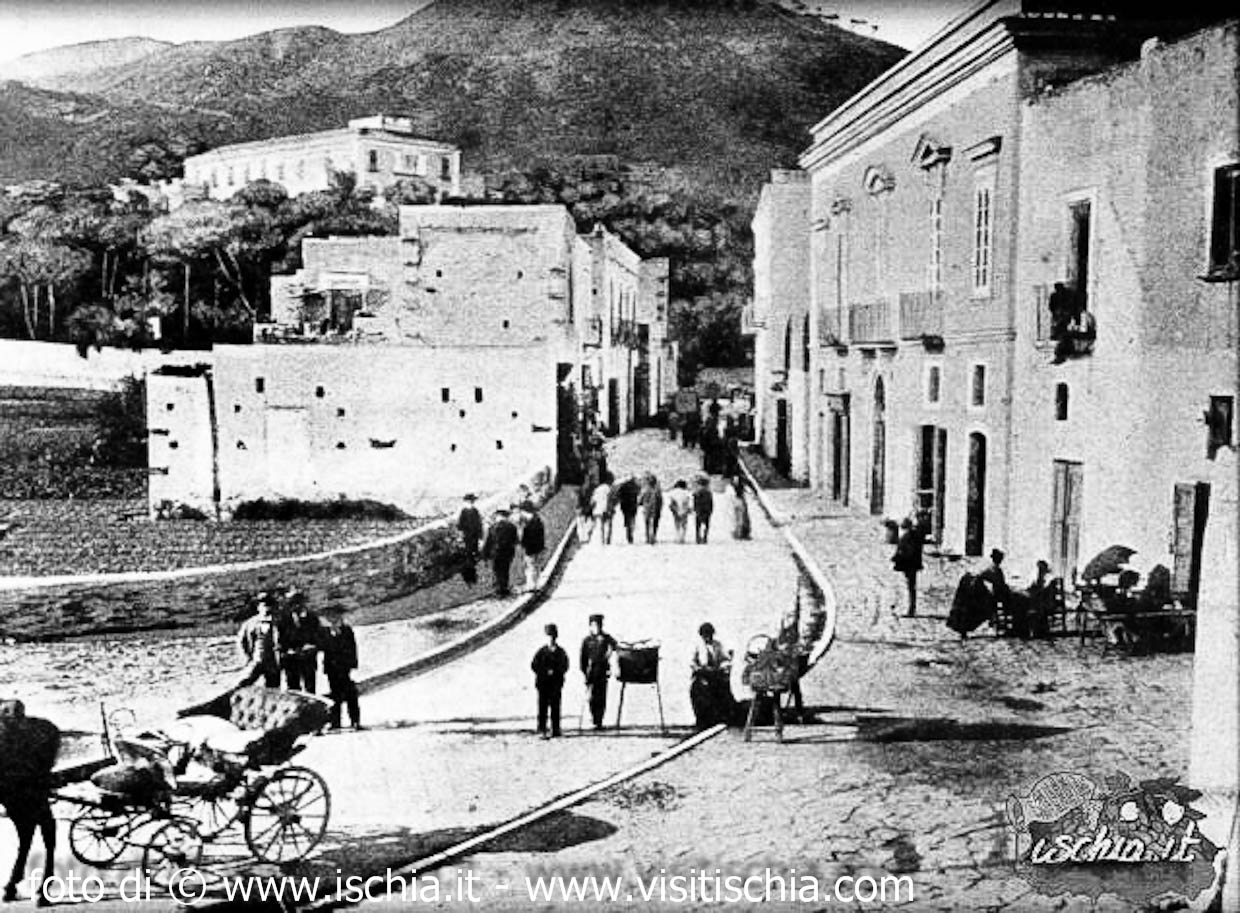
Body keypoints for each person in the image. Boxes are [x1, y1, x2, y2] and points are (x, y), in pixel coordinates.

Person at [320, 605, 361, 730]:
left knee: (350, 694)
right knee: (335, 695)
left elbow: (352, 648)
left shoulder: (347, 630)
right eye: (329, 616)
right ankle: (335, 722)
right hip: (331, 667)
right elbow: (322, 647)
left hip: (344, 666)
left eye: (335, 615)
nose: (332, 618)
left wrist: (352, 664)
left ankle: (355, 721)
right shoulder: (324, 632)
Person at [689, 623, 734, 730]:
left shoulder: (717, 645)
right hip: (702, 673)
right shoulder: (697, 646)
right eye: (705, 635)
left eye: (709, 635)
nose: (707, 637)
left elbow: (726, 659)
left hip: (715, 673)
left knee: (723, 689)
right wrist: (698, 668)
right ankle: (703, 721)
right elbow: (691, 662)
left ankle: (721, 718)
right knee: (701, 691)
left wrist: (724, 666)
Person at [531, 623, 569, 739]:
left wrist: (556, 672)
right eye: (548, 636)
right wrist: (544, 672)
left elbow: (565, 665)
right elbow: (534, 665)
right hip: (543, 683)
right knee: (542, 707)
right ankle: (542, 728)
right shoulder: (541, 652)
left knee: (555, 706)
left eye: (552, 636)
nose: (551, 639)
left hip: (555, 684)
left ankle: (556, 729)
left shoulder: (560, 652)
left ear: (556, 637)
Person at [579, 614, 617, 730]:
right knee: (592, 696)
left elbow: (616, 646)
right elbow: (583, 658)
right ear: (590, 626)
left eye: (599, 625)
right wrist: (584, 672)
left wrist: (610, 652)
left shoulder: (606, 638)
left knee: (601, 696)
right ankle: (594, 718)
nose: (597, 628)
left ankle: (599, 720)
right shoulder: (587, 640)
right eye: (594, 625)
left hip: (603, 669)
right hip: (591, 670)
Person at [280, 590, 322, 692]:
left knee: (310, 687)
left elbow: (318, 636)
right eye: (293, 603)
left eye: (298, 602)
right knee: (293, 689)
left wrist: (312, 646)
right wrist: (287, 650)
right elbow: (279, 639)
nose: (296, 606)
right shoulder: (283, 619)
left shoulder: (312, 618)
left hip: (308, 658)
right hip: (291, 659)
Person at [237, 593, 282, 688]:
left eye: (269, 605)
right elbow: (241, 642)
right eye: (264, 606)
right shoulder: (250, 623)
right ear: (258, 607)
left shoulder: (279, 622)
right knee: (244, 682)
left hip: (273, 662)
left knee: (272, 687)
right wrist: (247, 658)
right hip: (256, 660)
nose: (267, 609)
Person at [482, 506, 520, 596]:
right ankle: (504, 588)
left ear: (498, 516)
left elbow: (488, 542)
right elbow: (515, 540)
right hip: (508, 553)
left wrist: (485, 555)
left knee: (496, 571)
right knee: (505, 570)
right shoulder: (512, 527)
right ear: (506, 516)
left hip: (495, 553)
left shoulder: (493, 527)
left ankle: (498, 590)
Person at [891, 517, 925, 617]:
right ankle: (910, 608)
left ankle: (910, 609)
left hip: (908, 564)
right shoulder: (914, 536)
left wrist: (898, 557)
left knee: (910, 587)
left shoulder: (908, 537)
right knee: (911, 586)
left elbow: (907, 551)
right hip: (912, 564)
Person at [520, 500, 546, 593]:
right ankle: (536, 584)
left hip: (531, 549)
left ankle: (531, 585)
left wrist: (523, 544)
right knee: (536, 567)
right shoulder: (537, 519)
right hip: (539, 547)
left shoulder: (530, 523)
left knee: (530, 567)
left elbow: (526, 537)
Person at [458, 493, 484, 585]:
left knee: (473, 555)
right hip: (467, 538)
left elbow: (479, 525)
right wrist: (461, 536)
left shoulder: (475, 511)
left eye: (472, 501)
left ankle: (472, 576)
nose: (471, 502)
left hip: (474, 538)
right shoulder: (464, 512)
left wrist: (480, 537)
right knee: (468, 556)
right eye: (469, 501)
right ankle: (469, 577)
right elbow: (460, 526)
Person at [638, 473, 663, 545]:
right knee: (655, 524)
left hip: (647, 509)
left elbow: (640, 500)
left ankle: (648, 538)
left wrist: (641, 504)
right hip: (656, 509)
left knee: (647, 524)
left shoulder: (645, 490)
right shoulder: (658, 490)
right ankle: (653, 536)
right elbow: (660, 500)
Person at [590, 472, 614, 544]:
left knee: (601, 525)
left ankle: (602, 539)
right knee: (608, 524)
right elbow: (611, 499)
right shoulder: (610, 489)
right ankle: (607, 540)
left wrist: (592, 507)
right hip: (607, 509)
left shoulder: (597, 489)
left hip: (599, 509)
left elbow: (593, 500)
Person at [616, 475, 641, 544]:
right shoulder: (636, 486)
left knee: (627, 519)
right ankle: (630, 532)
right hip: (633, 505)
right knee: (632, 519)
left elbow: (618, 494)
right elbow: (639, 494)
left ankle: (628, 532)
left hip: (625, 505)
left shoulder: (623, 486)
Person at [667, 479, 693, 544]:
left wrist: (673, 509)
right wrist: (689, 509)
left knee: (677, 524)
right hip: (684, 510)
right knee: (684, 525)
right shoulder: (686, 492)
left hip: (676, 509)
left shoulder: (673, 492)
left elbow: (671, 502)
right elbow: (688, 501)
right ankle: (682, 538)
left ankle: (677, 537)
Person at [692, 478, 714, 544]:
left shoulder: (697, 493)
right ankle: (704, 538)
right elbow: (711, 503)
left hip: (699, 510)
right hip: (706, 511)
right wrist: (710, 511)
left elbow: (695, 502)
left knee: (698, 525)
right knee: (706, 525)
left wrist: (695, 509)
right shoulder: (708, 493)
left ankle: (698, 538)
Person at [730, 474, 752, 540]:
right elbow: (749, 490)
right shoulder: (740, 481)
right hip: (739, 499)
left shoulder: (733, 483)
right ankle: (741, 533)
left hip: (736, 499)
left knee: (738, 517)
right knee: (741, 517)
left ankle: (738, 533)